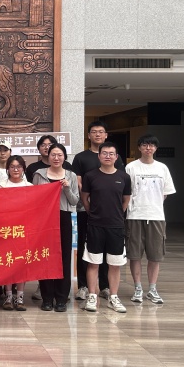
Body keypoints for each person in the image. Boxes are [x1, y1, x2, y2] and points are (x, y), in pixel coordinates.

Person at [72, 121, 125, 302]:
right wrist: (90, 206)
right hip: (86, 210)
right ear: (88, 135)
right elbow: (79, 182)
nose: (97, 134)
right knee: (85, 248)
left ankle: (105, 286)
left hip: (110, 214)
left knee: (107, 249)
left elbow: (122, 185)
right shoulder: (81, 157)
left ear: (106, 135)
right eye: (94, 132)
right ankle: (83, 286)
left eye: (101, 132)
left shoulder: (116, 158)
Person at [81, 142, 131, 313]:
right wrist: (94, 214)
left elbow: (126, 200)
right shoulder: (90, 176)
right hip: (95, 225)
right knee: (93, 263)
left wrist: (116, 214)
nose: (107, 156)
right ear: (99, 156)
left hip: (116, 226)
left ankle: (113, 297)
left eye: (111, 153)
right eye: (104, 153)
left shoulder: (124, 177)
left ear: (116, 157)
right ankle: (92, 296)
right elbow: (85, 198)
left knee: (115, 264)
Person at [125, 134, 176, 305]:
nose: (148, 148)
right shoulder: (131, 167)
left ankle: (152, 289)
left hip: (156, 216)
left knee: (155, 255)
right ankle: (138, 288)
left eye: (152, 145)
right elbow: (126, 192)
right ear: (139, 147)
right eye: (145, 145)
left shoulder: (162, 168)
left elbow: (166, 193)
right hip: (134, 215)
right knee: (135, 255)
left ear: (156, 148)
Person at [33, 144, 79, 312]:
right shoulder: (39, 174)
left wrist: (66, 188)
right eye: (53, 154)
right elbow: (34, 198)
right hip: (44, 220)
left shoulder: (71, 175)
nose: (56, 158)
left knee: (63, 258)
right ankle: (46, 298)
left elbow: (75, 201)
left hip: (63, 217)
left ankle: (61, 298)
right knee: (45, 257)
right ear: (48, 156)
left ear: (64, 157)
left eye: (59, 155)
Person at [0, 155, 33, 310]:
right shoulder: (1, 186)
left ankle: (20, 296)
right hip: (6, 230)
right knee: (7, 262)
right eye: (12, 166)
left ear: (23, 169)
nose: (15, 169)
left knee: (21, 263)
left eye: (18, 167)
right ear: (7, 168)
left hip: (23, 230)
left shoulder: (30, 187)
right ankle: (8, 295)